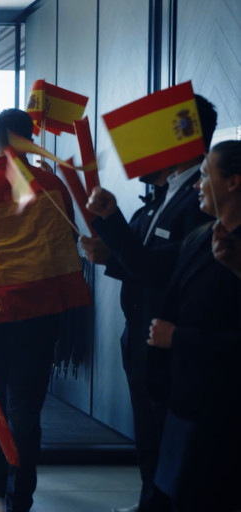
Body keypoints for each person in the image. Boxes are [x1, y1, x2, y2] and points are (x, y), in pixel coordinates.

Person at [83, 95, 216, 512]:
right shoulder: (165, 192)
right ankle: (149, 503)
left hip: (170, 338)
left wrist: (112, 226)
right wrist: (110, 249)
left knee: (165, 434)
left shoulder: (199, 198)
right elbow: (137, 260)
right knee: (147, 431)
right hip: (140, 332)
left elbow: (162, 268)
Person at [0, 109, 80, 512]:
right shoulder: (53, 185)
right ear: (30, 139)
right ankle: (21, 496)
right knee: (27, 409)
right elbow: (66, 249)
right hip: (41, 315)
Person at [146, 140, 241, 511]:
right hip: (183, 402)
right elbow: (148, 267)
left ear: (233, 182)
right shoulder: (200, 238)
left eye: (204, 175)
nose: (197, 184)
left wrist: (180, 339)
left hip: (224, 411)